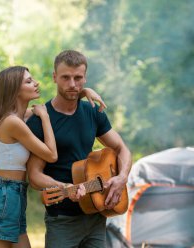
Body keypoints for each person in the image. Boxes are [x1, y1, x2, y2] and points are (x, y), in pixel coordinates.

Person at [0, 65, 106, 248]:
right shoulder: (12, 122)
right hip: (3, 201)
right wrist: (45, 118)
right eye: (28, 81)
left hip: (15, 199)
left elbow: (58, 105)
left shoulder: (22, 117)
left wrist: (84, 91)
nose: (36, 83)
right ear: (14, 89)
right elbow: (52, 155)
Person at [26, 50, 132, 247]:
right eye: (66, 77)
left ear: (85, 78)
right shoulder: (42, 119)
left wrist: (121, 177)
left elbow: (121, 148)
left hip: (96, 213)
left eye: (78, 78)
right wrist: (64, 188)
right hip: (63, 219)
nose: (72, 84)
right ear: (54, 77)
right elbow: (34, 175)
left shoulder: (93, 111)